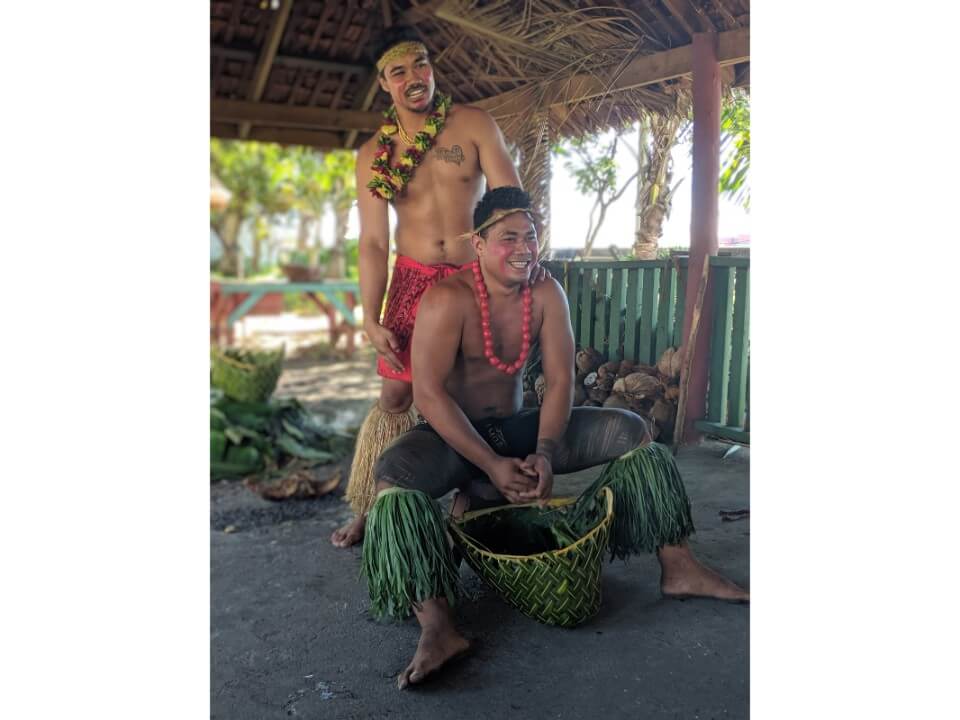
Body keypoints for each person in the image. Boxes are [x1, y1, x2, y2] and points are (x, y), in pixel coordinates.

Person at [360, 187, 749, 689]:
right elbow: (430, 396)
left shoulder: (545, 293)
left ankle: (679, 566)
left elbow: (562, 381)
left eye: (531, 237)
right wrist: (489, 463)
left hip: (520, 431)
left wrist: (544, 451)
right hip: (453, 437)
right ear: (477, 244)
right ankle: (438, 625)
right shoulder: (446, 299)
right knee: (393, 477)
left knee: (632, 431)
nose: (524, 248)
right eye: (508, 238)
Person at [331, 29, 550, 548]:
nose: (414, 78)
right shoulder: (372, 156)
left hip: (476, 276)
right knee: (396, 392)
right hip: (411, 279)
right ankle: (371, 502)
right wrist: (368, 314)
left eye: (421, 64)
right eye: (399, 71)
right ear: (384, 83)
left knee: (477, 387)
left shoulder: (472, 124)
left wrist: (524, 258)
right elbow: (371, 242)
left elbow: (510, 198)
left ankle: (469, 496)